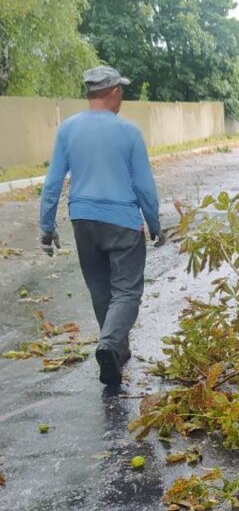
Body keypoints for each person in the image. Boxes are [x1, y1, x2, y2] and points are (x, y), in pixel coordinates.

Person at [39, 65, 164, 389]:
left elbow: (53, 182)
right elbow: (144, 187)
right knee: (127, 292)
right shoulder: (129, 133)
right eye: (120, 91)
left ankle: (116, 352)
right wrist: (154, 224)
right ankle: (109, 345)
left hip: (83, 221)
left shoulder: (67, 130)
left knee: (101, 292)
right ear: (113, 93)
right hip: (122, 222)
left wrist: (46, 226)